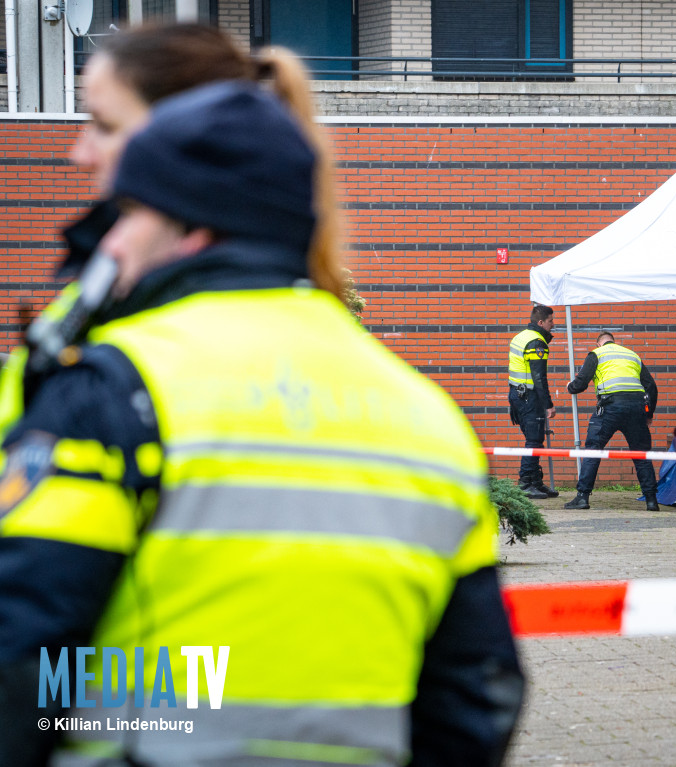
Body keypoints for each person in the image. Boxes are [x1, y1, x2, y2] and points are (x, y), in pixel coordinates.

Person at [0, 81, 523, 765]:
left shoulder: (116, 388)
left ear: (192, 224)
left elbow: (21, 658)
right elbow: (477, 696)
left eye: (128, 210)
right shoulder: (429, 417)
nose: (113, 237)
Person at [0, 23, 348, 438]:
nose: (81, 154)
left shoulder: (166, 337)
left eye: (106, 126)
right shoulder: (108, 285)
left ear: (189, 133)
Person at [564, 332, 659, 511]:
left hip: (610, 407)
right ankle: (651, 501)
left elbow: (581, 383)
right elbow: (651, 386)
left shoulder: (597, 354)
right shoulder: (632, 355)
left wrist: (571, 387)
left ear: (598, 343)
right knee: (641, 455)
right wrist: (649, 414)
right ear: (614, 342)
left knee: (593, 450)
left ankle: (582, 497)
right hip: (636, 409)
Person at [508, 304, 558, 499]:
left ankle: (536, 481)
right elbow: (539, 378)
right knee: (534, 440)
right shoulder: (537, 343)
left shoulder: (520, 337)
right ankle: (525, 483)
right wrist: (549, 405)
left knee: (534, 439)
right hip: (529, 397)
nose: (552, 324)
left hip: (516, 394)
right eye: (550, 321)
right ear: (541, 322)